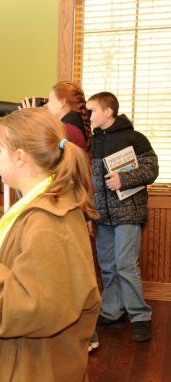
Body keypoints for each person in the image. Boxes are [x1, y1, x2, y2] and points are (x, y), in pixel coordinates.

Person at [0, 108, 101, 382]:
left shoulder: (47, 223)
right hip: (28, 365)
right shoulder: (45, 205)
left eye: (1, 151)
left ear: (21, 157)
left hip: (29, 376)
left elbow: (24, 308)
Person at [22, 80, 99, 351]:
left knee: (71, 271)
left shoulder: (67, 129)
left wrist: (32, 116)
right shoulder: (76, 125)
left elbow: (42, 146)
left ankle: (85, 335)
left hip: (69, 204)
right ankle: (86, 334)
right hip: (76, 202)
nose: (46, 106)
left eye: (50, 102)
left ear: (63, 103)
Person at [86, 91, 159, 342]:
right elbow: (88, 182)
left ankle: (141, 317)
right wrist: (88, 213)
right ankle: (113, 313)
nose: (88, 115)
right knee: (107, 267)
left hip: (128, 213)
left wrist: (123, 178)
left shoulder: (135, 138)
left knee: (126, 265)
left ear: (108, 112)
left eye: (92, 110)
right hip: (101, 215)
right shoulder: (90, 143)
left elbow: (151, 169)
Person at [22, 80, 92, 151]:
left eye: (49, 100)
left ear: (62, 102)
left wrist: (30, 118)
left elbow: (40, 155)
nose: (46, 105)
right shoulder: (73, 126)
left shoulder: (66, 131)